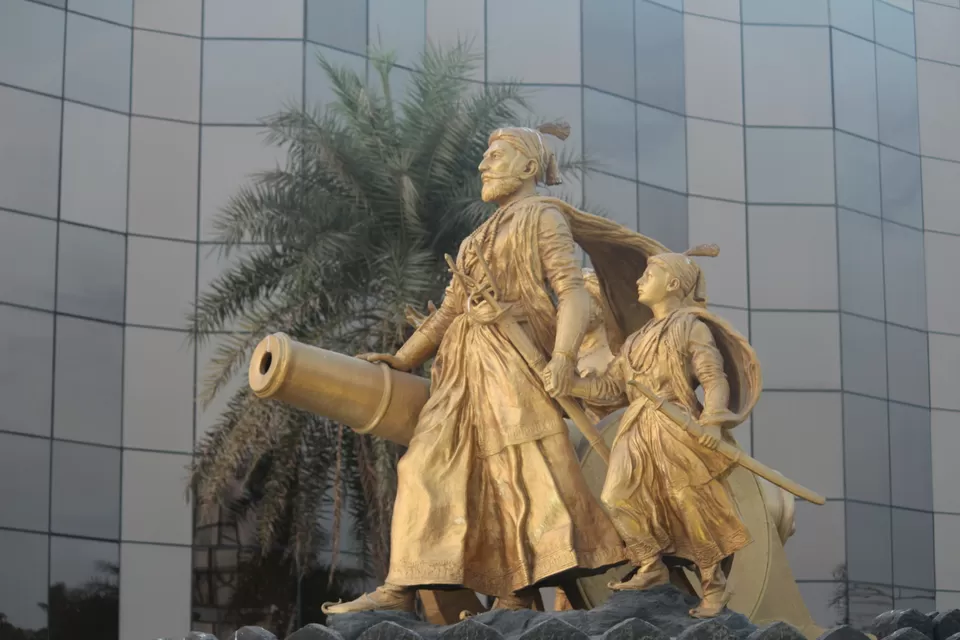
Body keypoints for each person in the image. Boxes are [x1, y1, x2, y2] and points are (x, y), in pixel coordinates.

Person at [321, 123, 670, 615]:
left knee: (517, 475)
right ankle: (402, 585)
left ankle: (518, 592)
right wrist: (403, 358)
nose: (483, 164)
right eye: (484, 156)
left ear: (529, 167)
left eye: (496, 155)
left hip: (514, 361)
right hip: (460, 373)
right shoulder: (473, 240)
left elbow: (569, 292)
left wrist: (564, 359)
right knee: (423, 466)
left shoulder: (544, 217)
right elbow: (447, 313)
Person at [545, 247, 762, 618]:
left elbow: (713, 378)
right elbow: (611, 387)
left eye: (649, 275)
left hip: (677, 426)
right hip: (636, 429)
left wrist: (712, 420)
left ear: (673, 283)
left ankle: (713, 587)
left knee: (691, 504)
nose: (639, 281)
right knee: (615, 498)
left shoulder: (691, 326)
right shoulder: (635, 340)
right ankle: (651, 564)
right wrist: (571, 383)